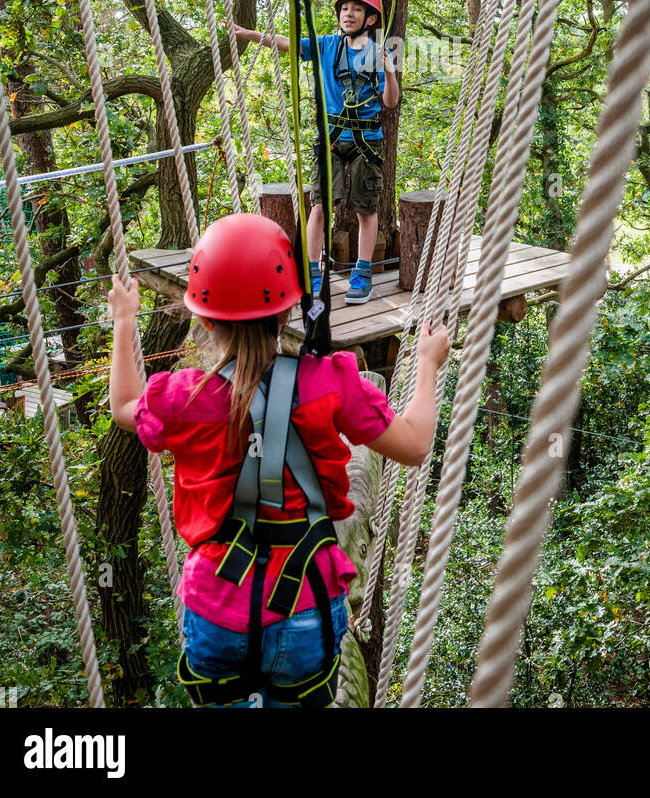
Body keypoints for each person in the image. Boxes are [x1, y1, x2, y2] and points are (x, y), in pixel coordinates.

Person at [108, 211, 449, 710]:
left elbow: (123, 407)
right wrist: (427, 364)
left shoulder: (183, 397)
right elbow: (416, 444)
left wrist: (124, 320)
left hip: (216, 606)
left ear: (201, 318)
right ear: (290, 311)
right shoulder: (331, 381)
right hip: (305, 604)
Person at [236, 0, 398, 305]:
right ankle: (311, 272)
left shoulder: (379, 53)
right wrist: (252, 35)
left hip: (367, 139)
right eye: (345, 8)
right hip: (333, 139)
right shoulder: (327, 46)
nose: (348, 14)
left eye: (357, 9)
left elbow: (390, 102)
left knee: (366, 209)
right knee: (320, 205)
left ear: (370, 18)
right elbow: (289, 43)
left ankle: (362, 273)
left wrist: (390, 73)